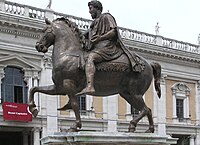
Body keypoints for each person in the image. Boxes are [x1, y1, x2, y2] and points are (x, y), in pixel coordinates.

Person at [76, 0, 145, 96]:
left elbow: (114, 32)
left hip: (107, 47)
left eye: (91, 8)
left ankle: (90, 86)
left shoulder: (106, 17)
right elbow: (82, 36)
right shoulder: (93, 25)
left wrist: (100, 38)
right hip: (97, 48)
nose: (89, 11)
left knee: (90, 58)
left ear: (97, 8)